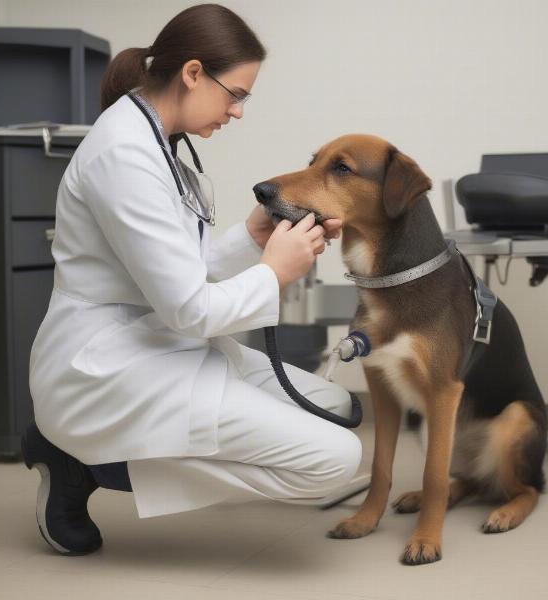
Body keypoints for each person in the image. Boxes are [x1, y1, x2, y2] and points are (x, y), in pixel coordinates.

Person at [21, 3, 362, 556]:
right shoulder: (124, 155)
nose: (239, 112)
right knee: (333, 461)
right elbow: (191, 309)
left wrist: (253, 237)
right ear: (194, 73)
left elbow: (177, 270)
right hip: (106, 368)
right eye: (237, 94)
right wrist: (276, 271)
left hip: (159, 339)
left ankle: (97, 452)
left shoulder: (159, 140)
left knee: (338, 407)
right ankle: (85, 462)